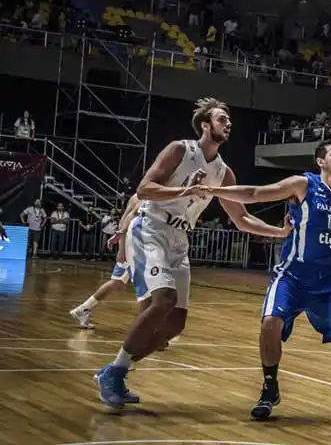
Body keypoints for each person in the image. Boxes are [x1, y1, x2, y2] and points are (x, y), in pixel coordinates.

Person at [95, 98, 290, 409]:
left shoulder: (223, 173)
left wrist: (278, 232)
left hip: (179, 239)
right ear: (205, 125)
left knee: (174, 326)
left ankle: (115, 371)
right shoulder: (180, 150)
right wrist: (183, 191)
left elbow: (241, 219)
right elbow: (144, 189)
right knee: (163, 302)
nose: (228, 124)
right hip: (151, 229)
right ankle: (115, 372)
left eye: (229, 120)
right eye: (222, 119)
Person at [201, 136, 331, 431]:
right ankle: (270, 387)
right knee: (270, 322)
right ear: (321, 161)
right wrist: (212, 190)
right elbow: (255, 193)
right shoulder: (303, 184)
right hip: (293, 276)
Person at [70, 195, 141, 329]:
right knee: (152, 288)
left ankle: (83, 308)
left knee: (117, 282)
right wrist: (121, 249)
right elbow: (126, 219)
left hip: (134, 245)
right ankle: (152, 327)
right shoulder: (145, 195)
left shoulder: (139, 196)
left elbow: (124, 220)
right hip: (135, 247)